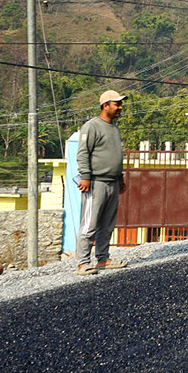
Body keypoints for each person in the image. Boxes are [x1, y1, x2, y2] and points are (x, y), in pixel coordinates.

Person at [76, 90, 129, 276]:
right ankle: (82, 263)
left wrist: (120, 179)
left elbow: (117, 156)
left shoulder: (114, 128)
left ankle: (103, 259)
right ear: (105, 105)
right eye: (117, 104)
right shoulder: (91, 126)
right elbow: (83, 153)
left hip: (112, 182)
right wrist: (85, 176)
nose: (120, 107)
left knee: (107, 224)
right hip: (96, 182)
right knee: (89, 224)